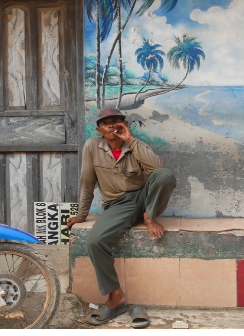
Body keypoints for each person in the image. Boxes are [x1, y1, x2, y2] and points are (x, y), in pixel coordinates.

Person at [67, 108, 176, 326]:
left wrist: (130, 140)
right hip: (118, 205)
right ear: (99, 129)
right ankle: (115, 295)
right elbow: (87, 181)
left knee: (166, 174)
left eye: (116, 121)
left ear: (124, 124)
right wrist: (81, 214)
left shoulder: (134, 144)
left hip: (145, 198)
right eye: (106, 123)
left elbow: (158, 170)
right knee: (95, 241)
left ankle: (149, 217)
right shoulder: (92, 146)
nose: (112, 126)